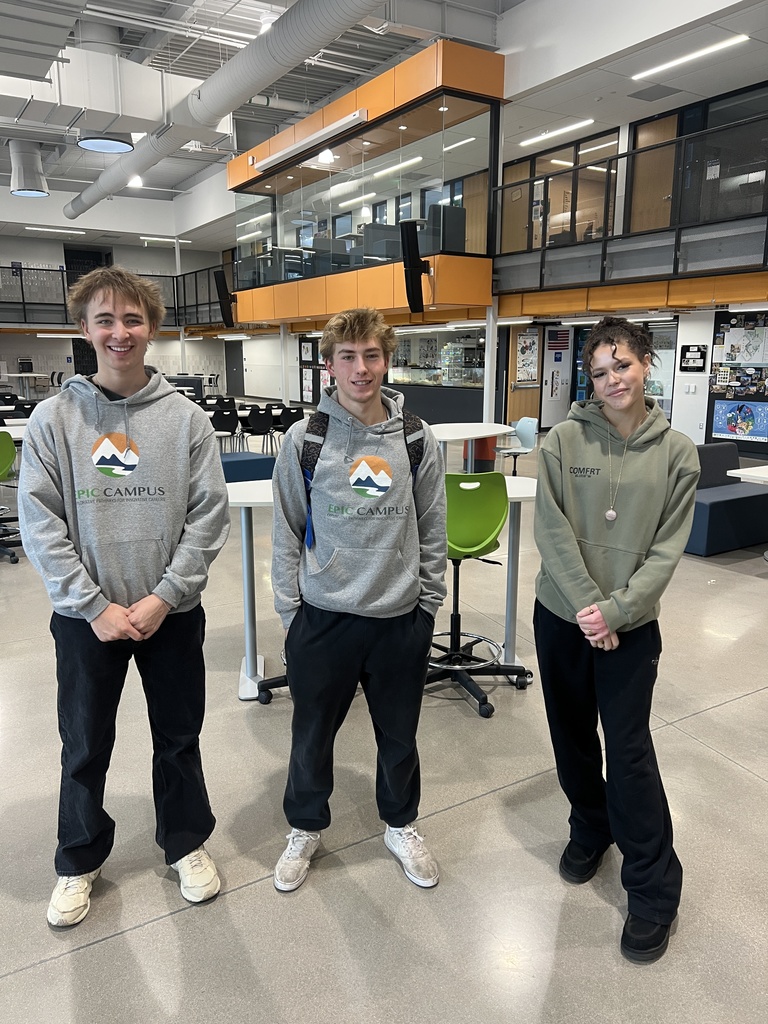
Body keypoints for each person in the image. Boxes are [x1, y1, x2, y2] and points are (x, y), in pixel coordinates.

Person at [19, 266, 230, 927]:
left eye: (132, 319)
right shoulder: (54, 419)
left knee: (179, 737)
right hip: (88, 620)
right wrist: (93, 606)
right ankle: (79, 855)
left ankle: (186, 843)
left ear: (152, 327)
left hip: (171, 614)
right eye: (105, 320)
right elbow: (40, 520)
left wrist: (167, 595)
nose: (119, 332)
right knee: (84, 742)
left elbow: (209, 514)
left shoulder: (186, 419)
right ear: (84, 330)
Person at [532, 316, 700, 964]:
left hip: (630, 627)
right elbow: (551, 529)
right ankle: (589, 826)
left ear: (645, 363)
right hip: (563, 618)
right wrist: (585, 608)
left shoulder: (676, 453)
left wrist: (617, 611)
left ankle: (655, 890)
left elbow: (666, 549)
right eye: (599, 372)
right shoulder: (562, 441)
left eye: (621, 365)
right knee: (571, 736)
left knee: (627, 754)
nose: (611, 380)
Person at [270, 307, 447, 892]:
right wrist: (292, 613)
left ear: (386, 359)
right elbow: (287, 531)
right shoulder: (306, 440)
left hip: (399, 618)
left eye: (371, 354)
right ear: (329, 366)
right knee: (312, 734)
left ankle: (400, 823)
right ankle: (304, 827)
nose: (361, 367)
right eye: (347, 356)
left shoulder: (416, 438)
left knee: (399, 734)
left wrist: (427, 605)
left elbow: (432, 527)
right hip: (324, 618)